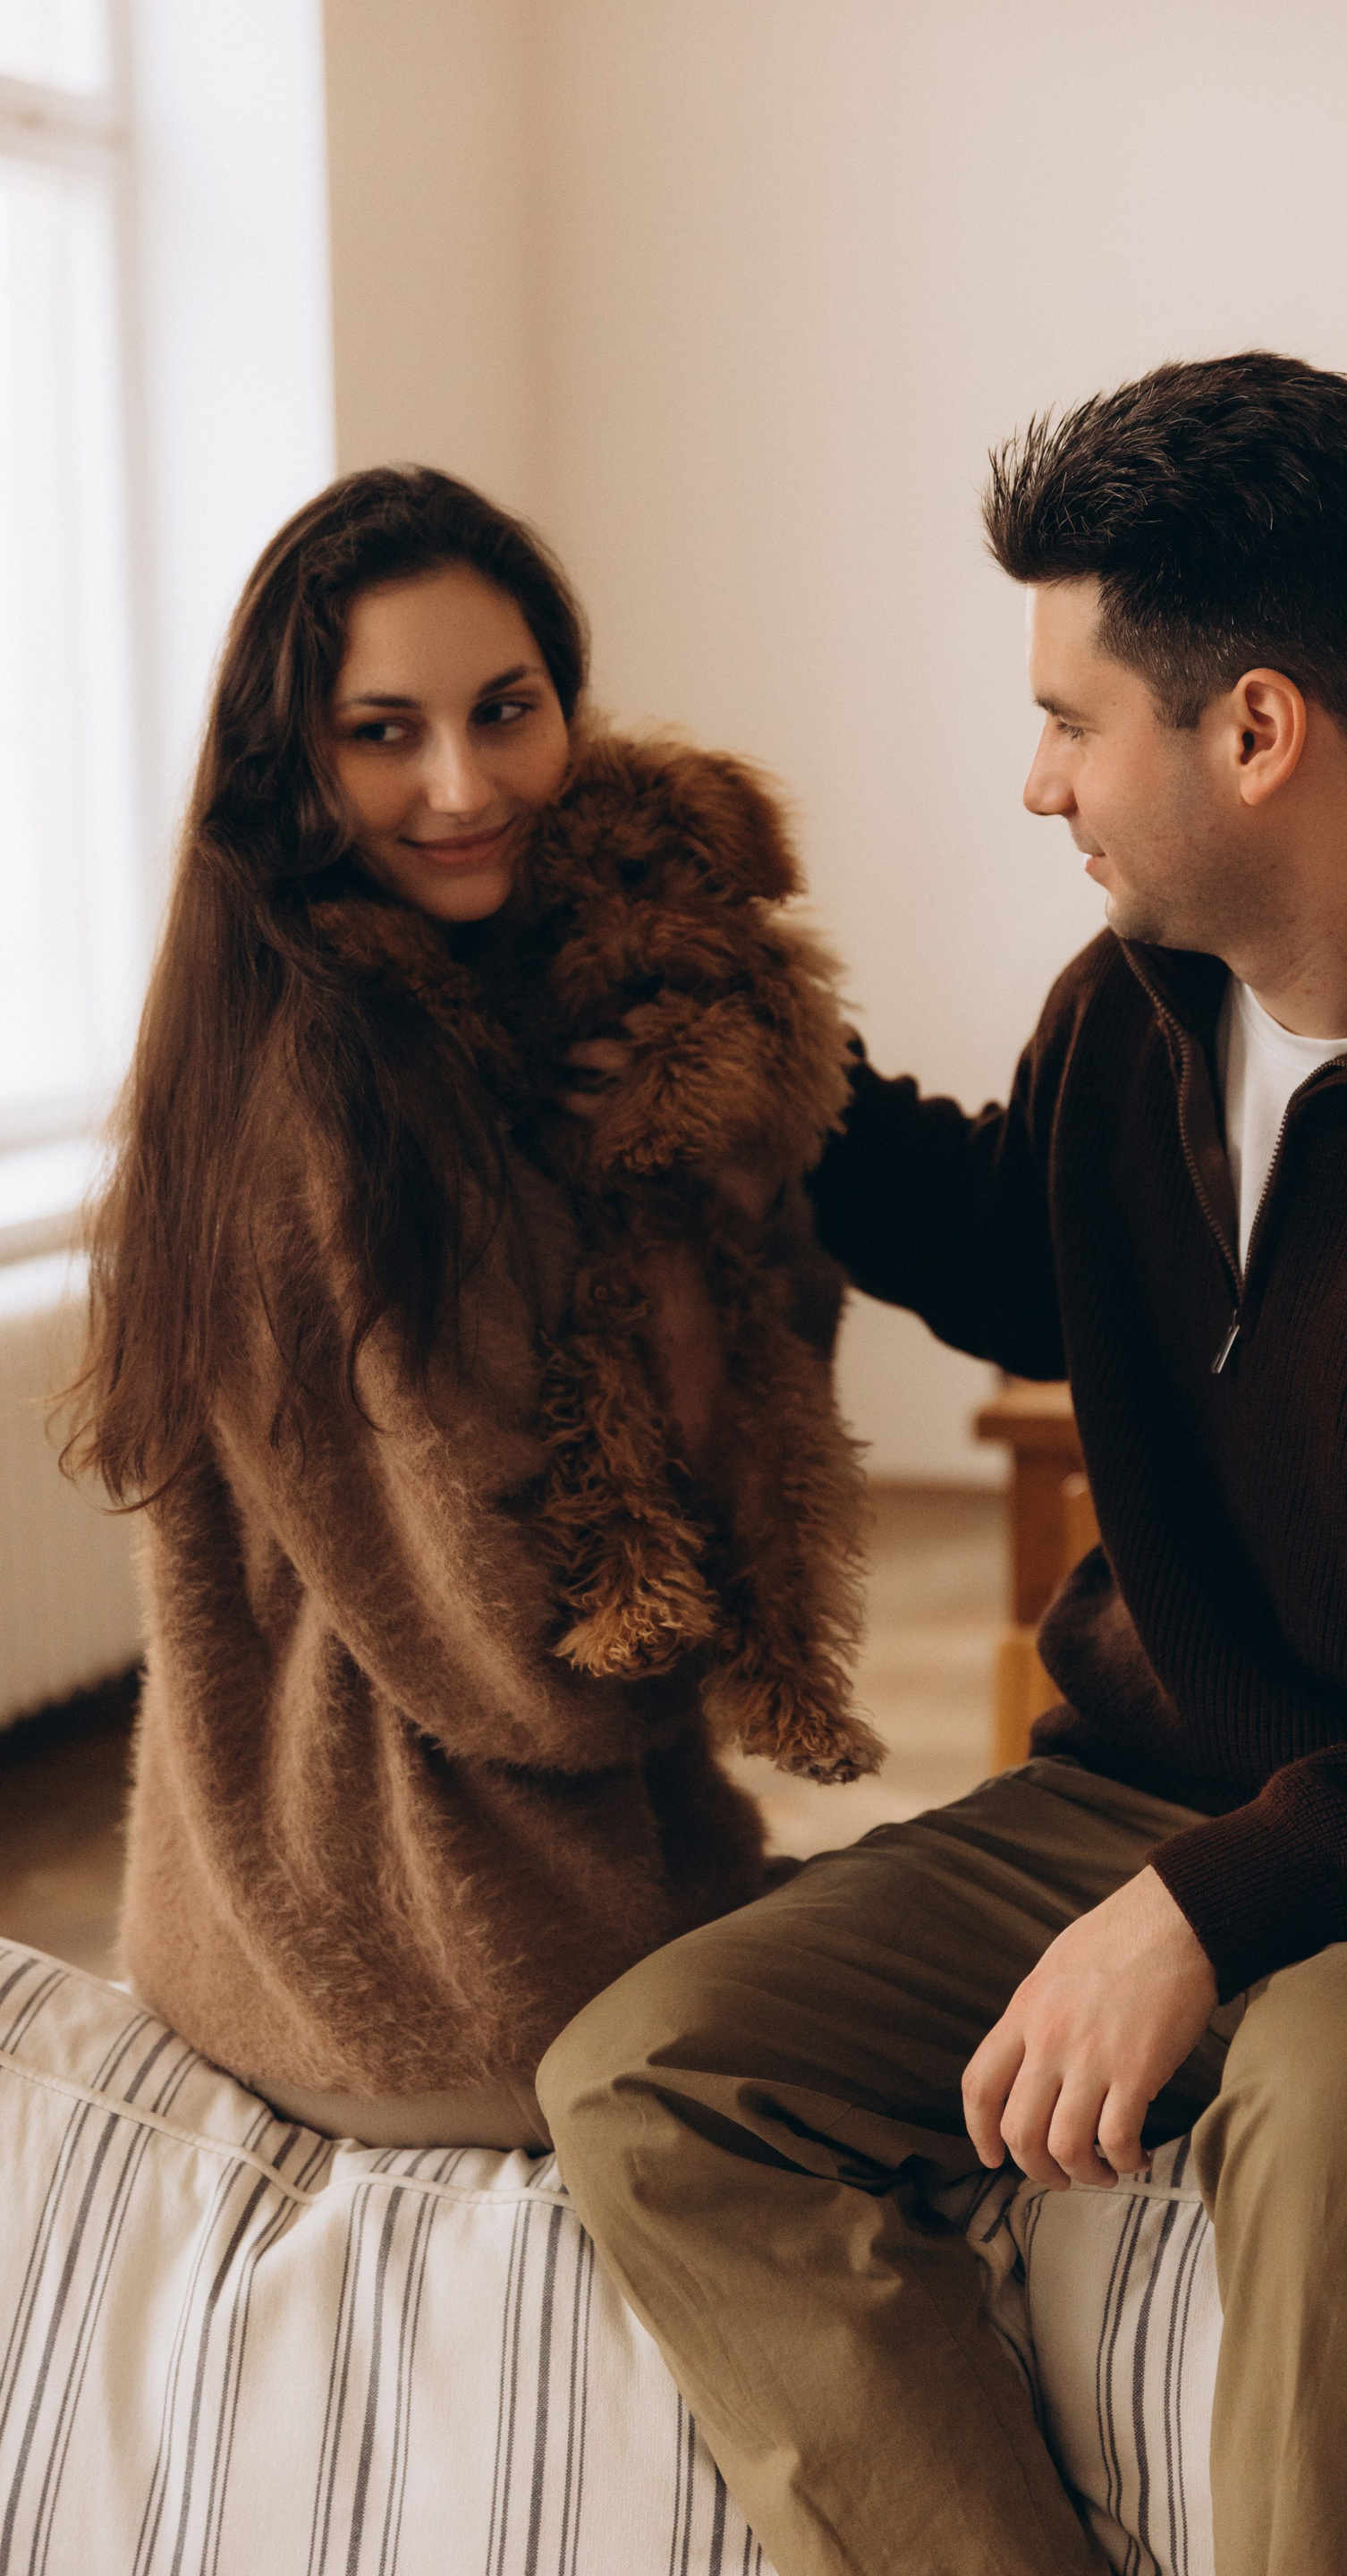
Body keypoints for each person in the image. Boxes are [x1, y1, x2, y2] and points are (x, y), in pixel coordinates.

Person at [537, 353, 1347, 2575]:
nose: (1037, 781)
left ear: (1256, 731)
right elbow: (1044, 1260)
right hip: (1170, 1787)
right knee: (653, 2075)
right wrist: (764, 1072)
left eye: (1071, 720)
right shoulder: (1136, 1006)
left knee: (1339, 2096)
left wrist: (1216, 1906)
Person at [69, 465, 873, 2151]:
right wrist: (669, 1249)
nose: (462, 786)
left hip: (513, 1899)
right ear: (293, 764)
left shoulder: (525, 1003)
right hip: (426, 1963)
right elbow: (540, 1672)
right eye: (384, 733)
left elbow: (770, 1396)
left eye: (506, 711)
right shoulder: (324, 1088)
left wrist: (714, 1177)